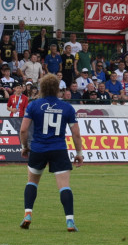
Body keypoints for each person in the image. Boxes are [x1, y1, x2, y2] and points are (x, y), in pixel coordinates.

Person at [19, 73, 83, 232]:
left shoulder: (33, 105)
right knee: (64, 186)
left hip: (38, 149)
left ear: (42, 88)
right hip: (58, 149)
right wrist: (79, 152)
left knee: (32, 182)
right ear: (57, 89)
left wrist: (24, 147)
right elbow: (76, 133)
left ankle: (28, 214)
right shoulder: (67, 107)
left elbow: (23, 130)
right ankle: (69, 221)